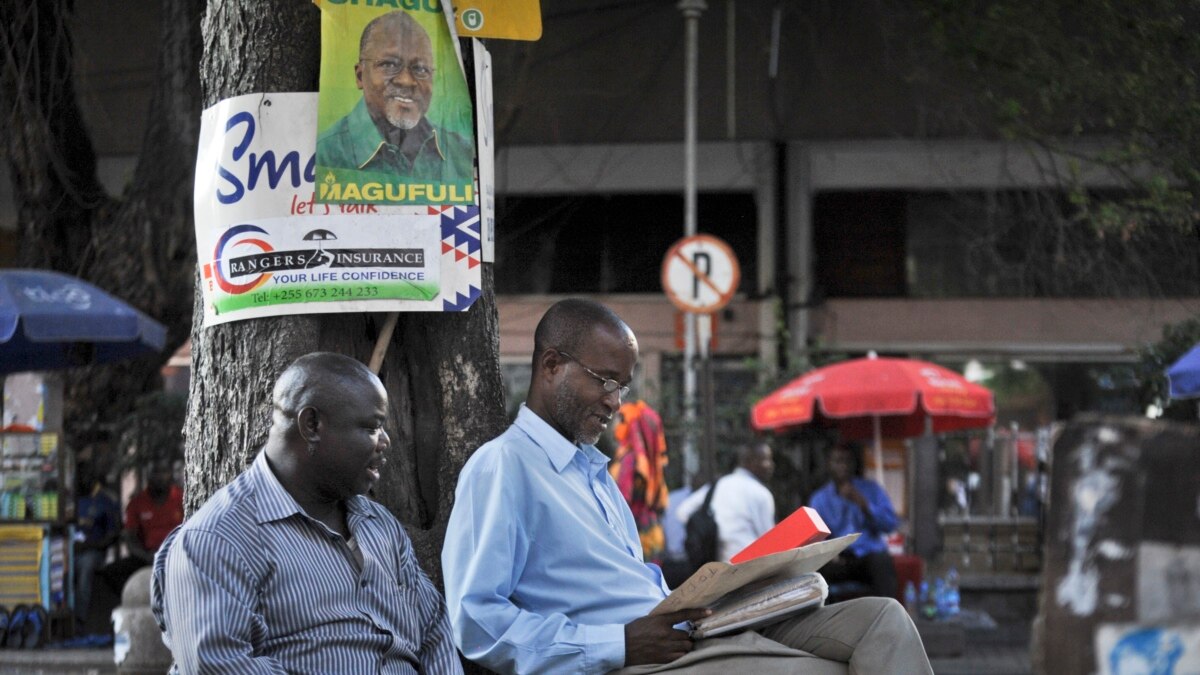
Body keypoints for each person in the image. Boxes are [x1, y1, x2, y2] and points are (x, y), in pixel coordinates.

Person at [442, 299, 932, 675]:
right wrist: (619, 644)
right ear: (551, 366)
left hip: (692, 630)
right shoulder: (503, 467)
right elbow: (477, 622)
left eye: (623, 386)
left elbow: (627, 585)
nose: (615, 402)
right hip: (642, 659)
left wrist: (733, 593)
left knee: (883, 621)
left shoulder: (596, 477)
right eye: (604, 381)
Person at [151, 353, 462, 673]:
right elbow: (218, 666)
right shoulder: (217, 540)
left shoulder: (378, 524)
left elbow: (434, 630)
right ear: (311, 424)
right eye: (372, 427)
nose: (385, 441)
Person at [317, 10, 474, 183]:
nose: (406, 81)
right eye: (389, 64)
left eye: (421, 69)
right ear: (360, 76)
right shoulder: (325, 154)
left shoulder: (459, 153)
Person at [809, 441, 900, 600]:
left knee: (882, 562)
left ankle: (888, 615)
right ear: (829, 464)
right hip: (839, 559)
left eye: (846, 460)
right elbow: (814, 537)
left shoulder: (871, 489)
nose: (842, 466)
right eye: (837, 461)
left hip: (868, 556)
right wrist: (829, 552)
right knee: (815, 573)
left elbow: (890, 524)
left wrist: (864, 505)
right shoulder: (819, 499)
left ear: (853, 464)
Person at [675, 441, 776, 563]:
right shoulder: (761, 493)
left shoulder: (720, 484)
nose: (771, 465)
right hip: (750, 567)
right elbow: (770, 543)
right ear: (751, 462)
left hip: (719, 566)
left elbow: (682, 512)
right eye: (766, 460)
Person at [96, 459, 183, 599]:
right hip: (147, 556)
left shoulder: (181, 497)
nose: (160, 477)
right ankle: (133, 600)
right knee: (111, 572)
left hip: (177, 554)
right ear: (148, 475)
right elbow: (130, 537)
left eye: (164, 472)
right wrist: (146, 556)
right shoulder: (137, 503)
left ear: (170, 474)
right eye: (155, 472)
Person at [608, 400, 669, 565]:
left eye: (620, 419)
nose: (614, 424)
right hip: (652, 534)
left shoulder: (630, 461)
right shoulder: (647, 460)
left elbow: (619, 504)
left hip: (635, 538)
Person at [73, 458, 120, 632]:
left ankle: (79, 621)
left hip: (93, 552)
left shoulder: (105, 500)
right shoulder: (71, 496)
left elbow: (113, 534)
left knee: (85, 569)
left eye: (84, 476)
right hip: (69, 550)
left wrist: (90, 545)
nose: (80, 479)